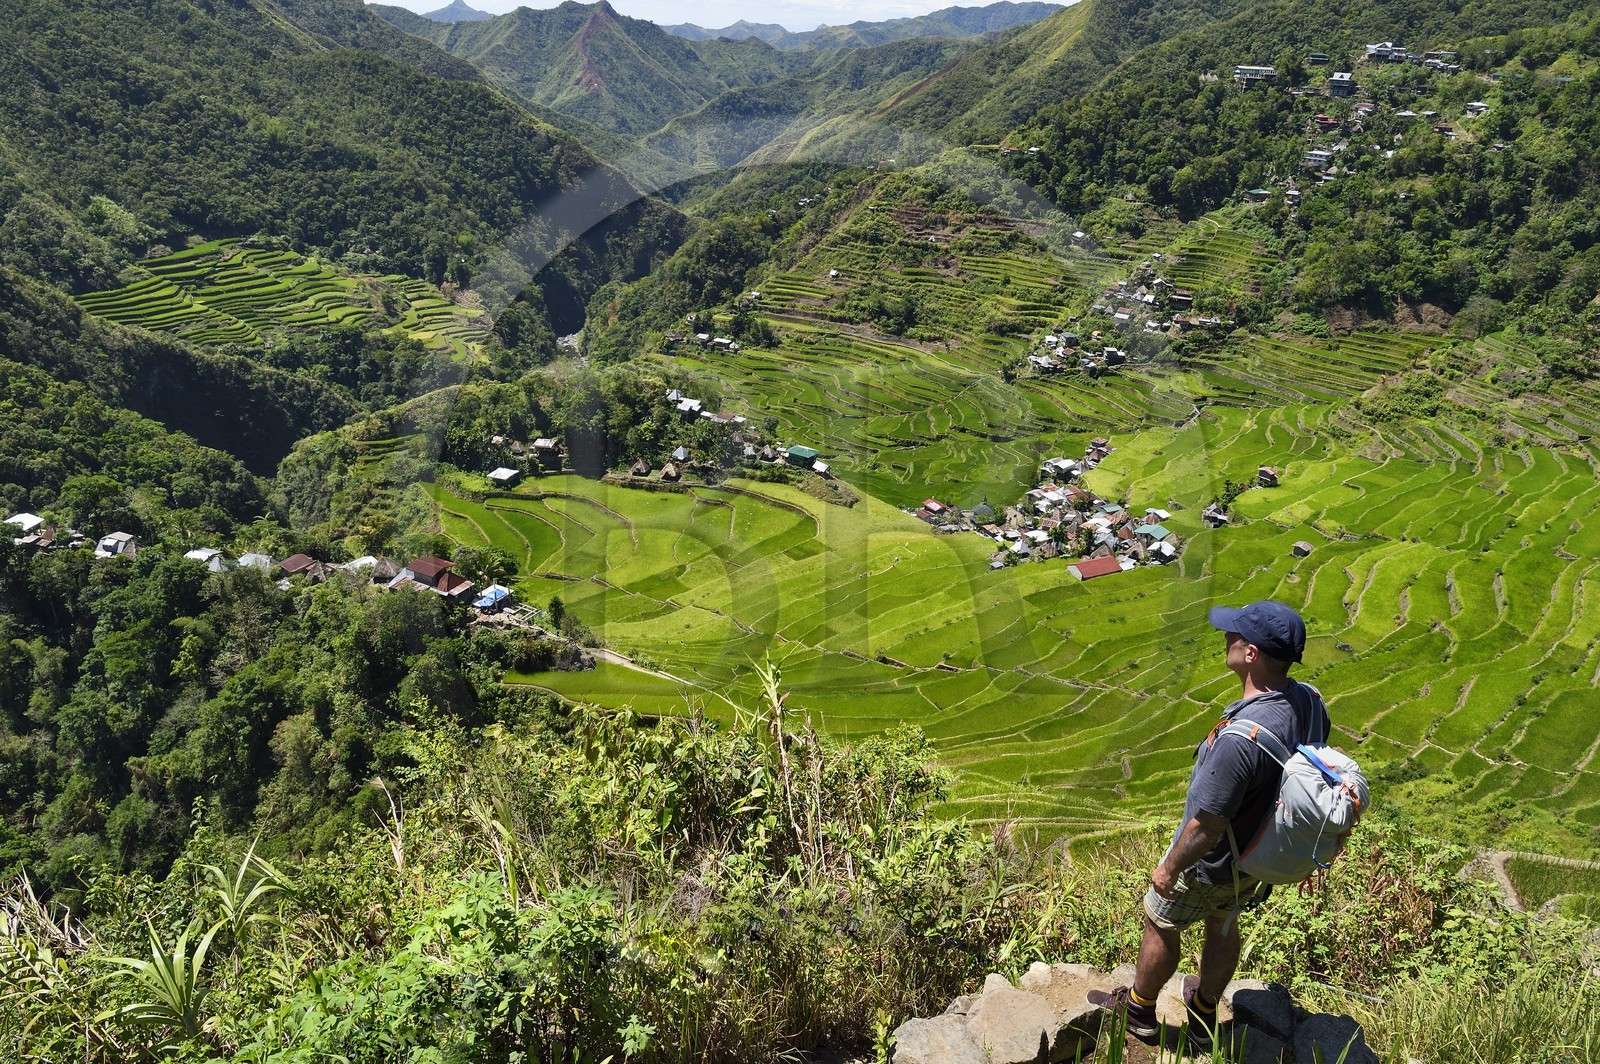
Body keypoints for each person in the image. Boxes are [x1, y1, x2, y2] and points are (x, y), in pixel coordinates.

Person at [1087, 600, 1330, 1046]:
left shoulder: (1242, 739)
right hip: (1258, 855)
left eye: (1235, 635)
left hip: (1211, 862)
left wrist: (1169, 869)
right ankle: (1202, 1014)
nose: (1226, 638)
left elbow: (1206, 825)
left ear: (1251, 654)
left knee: (1160, 920)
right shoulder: (1311, 703)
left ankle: (1139, 1011)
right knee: (1223, 922)